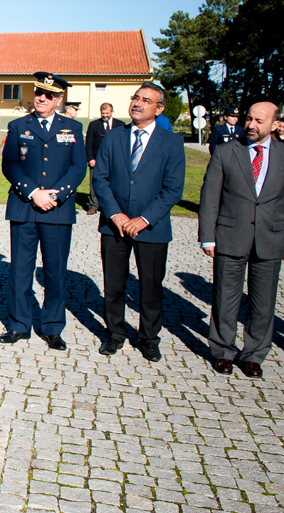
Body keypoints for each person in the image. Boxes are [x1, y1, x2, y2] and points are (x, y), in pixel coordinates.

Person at [199, 100, 284, 378]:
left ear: (275, 123)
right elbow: (210, 197)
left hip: (270, 239)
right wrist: (207, 237)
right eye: (249, 119)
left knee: (263, 301)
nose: (251, 125)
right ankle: (223, 351)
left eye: (259, 121)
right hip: (230, 235)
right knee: (225, 297)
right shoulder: (225, 152)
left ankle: (254, 354)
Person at [92, 83, 186, 362]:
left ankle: (148, 338)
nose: (137, 103)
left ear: (159, 109)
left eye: (146, 100)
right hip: (114, 225)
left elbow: (173, 189)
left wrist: (144, 219)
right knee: (114, 284)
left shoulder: (171, 142)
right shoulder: (113, 137)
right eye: (135, 97)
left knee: (151, 286)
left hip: (152, 228)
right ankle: (115, 334)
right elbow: (100, 179)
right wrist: (115, 214)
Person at [0, 72, 86, 350]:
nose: (41, 98)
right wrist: (33, 192)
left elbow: (78, 168)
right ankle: (18, 325)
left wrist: (57, 194)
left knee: (55, 272)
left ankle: (52, 327)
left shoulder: (72, 128)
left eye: (49, 95)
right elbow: (9, 164)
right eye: (38, 92)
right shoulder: (17, 125)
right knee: (20, 271)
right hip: (25, 207)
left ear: (59, 100)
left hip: (57, 210)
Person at [84, 102, 124, 215]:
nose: (105, 115)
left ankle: (111, 206)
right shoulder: (93, 124)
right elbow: (88, 143)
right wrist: (90, 158)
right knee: (94, 182)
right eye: (103, 113)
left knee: (113, 183)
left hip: (115, 160)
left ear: (112, 112)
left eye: (107, 113)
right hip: (96, 160)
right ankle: (93, 205)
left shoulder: (120, 124)